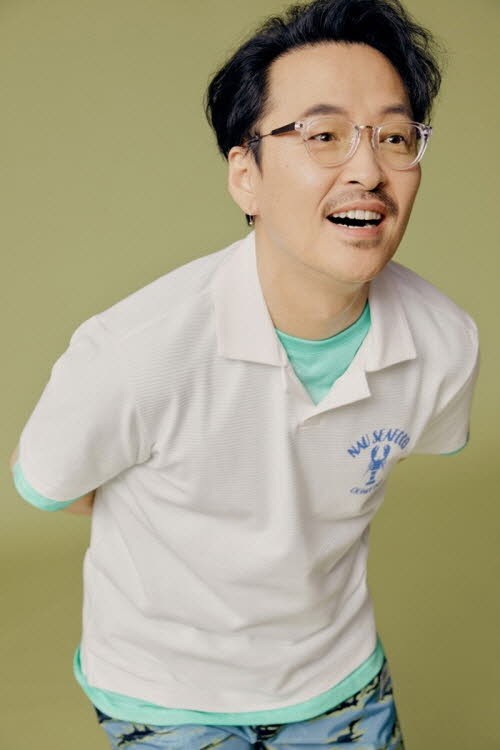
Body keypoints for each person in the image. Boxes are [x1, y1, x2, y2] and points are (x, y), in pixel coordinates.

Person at [10, 0, 479, 748]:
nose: (367, 170)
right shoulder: (134, 351)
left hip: (340, 678)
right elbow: (53, 484)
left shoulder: (444, 341)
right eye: (323, 136)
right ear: (246, 176)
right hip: (161, 691)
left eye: (394, 138)